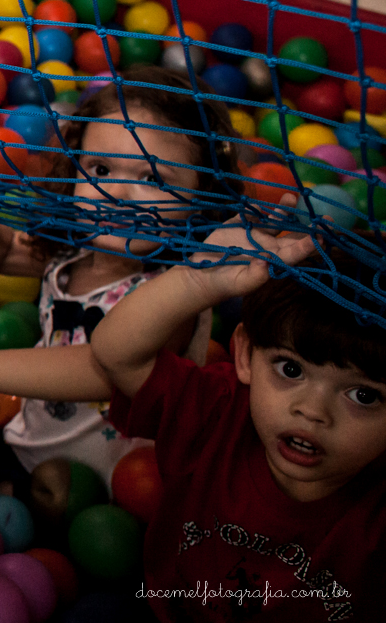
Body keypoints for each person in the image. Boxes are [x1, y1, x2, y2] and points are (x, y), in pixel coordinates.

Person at [0, 68, 238, 487]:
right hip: (30, 441)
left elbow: (97, 370)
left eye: (152, 179)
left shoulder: (175, 294)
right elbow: (5, 254)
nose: (115, 194)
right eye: (100, 170)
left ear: (202, 197)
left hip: (111, 484)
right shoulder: (76, 247)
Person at [91, 229, 386, 621]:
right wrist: (197, 278)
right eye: (291, 369)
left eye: (363, 396)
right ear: (244, 354)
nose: (313, 412)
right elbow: (117, 354)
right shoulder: (218, 413)